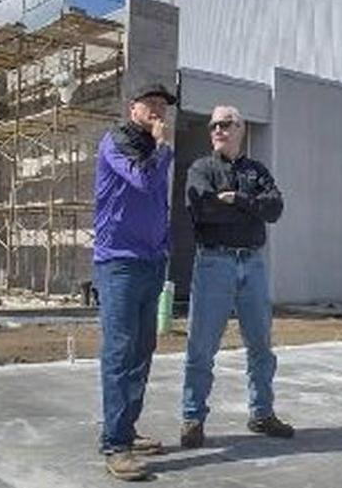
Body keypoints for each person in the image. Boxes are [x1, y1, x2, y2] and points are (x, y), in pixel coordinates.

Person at [179, 105, 293, 448]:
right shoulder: (201, 169)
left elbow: (275, 208)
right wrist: (248, 209)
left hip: (253, 264)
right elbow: (202, 210)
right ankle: (192, 418)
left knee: (261, 345)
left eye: (225, 124)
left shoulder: (256, 170)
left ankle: (261, 414)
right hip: (215, 263)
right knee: (201, 346)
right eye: (213, 124)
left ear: (241, 129)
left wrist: (239, 199)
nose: (217, 129)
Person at [92, 83, 178, 481]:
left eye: (163, 105)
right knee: (121, 352)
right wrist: (162, 147)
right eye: (152, 105)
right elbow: (142, 182)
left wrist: (163, 246)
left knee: (143, 350)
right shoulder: (117, 141)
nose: (159, 111)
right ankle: (115, 445)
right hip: (120, 265)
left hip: (150, 263)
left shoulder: (157, 150)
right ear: (133, 108)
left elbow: (157, 200)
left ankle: (126, 428)